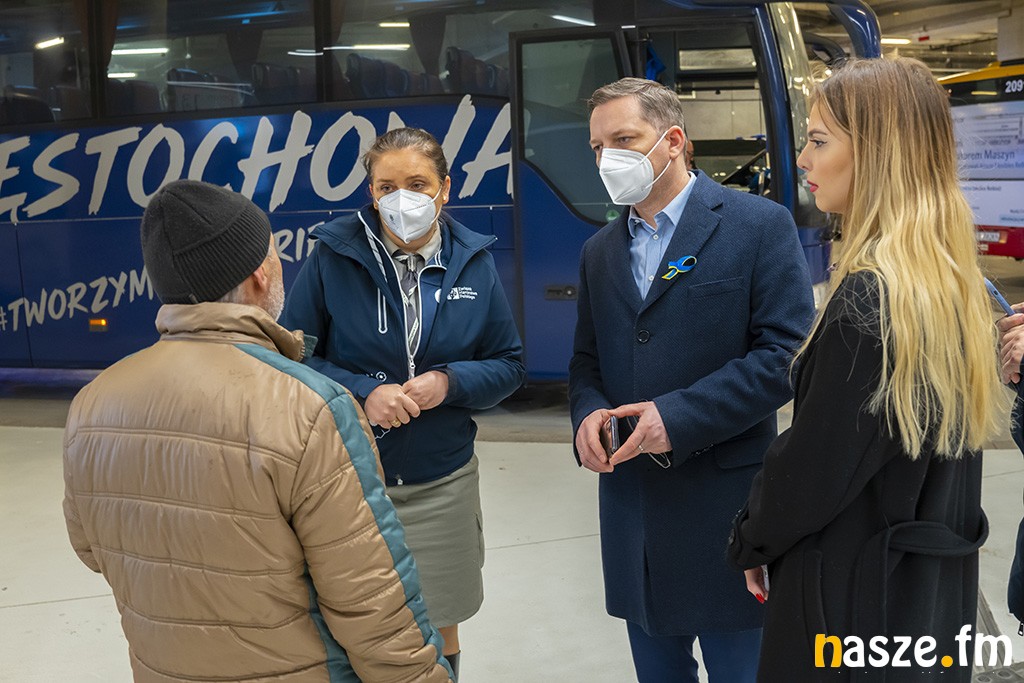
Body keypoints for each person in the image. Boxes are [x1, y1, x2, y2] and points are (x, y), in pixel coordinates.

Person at [62, 180, 453, 682]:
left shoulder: (92, 403)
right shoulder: (310, 407)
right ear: (259, 277)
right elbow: (369, 599)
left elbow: (90, 549)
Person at [727, 57, 1008, 681]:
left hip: (851, 606)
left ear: (879, 154)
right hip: (923, 600)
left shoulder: (869, 300)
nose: (803, 158)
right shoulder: (952, 286)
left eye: (819, 140)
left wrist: (752, 538)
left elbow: (814, 467)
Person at [569, 77, 815, 682]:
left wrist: (675, 418)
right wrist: (586, 416)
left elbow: (785, 354)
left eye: (623, 140)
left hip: (725, 508)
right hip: (634, 514)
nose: (607, 159)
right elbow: (586, 362)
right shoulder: (599, 252)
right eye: (597, 147)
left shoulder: (758, 225)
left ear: (673, 140)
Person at [281, 127, 525, 679]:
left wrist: (449, 382)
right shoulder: (334, 254)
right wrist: (364, 392)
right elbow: (294, 357)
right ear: (371, 192)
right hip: (346, 478)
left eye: (417, 184)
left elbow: (509, 365)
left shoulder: (474, 260)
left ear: (445, 188)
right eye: (386, 186)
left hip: (441, 478)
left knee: (438, 624)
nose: (401, 199)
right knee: (343, 625)